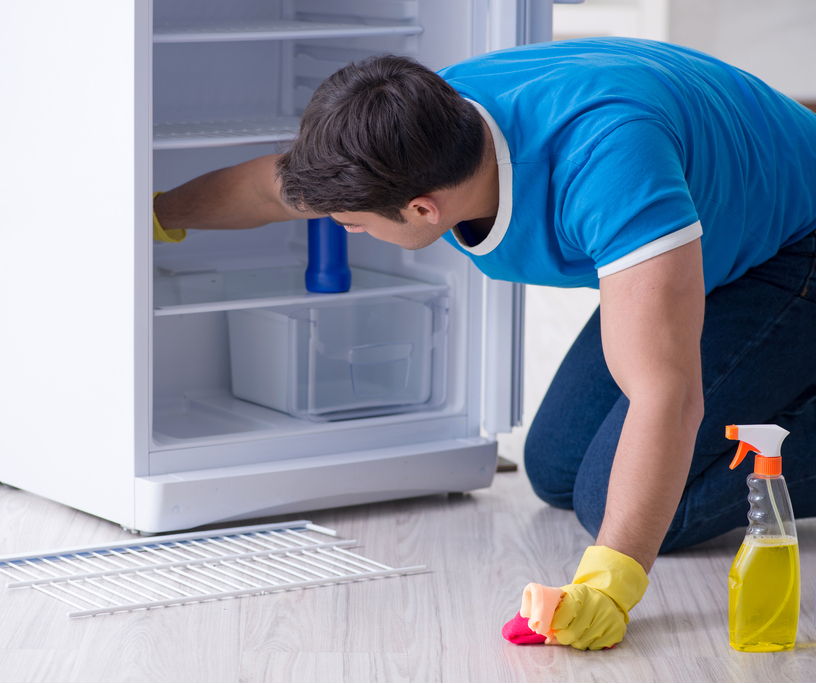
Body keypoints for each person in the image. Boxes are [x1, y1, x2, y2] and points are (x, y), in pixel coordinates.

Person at [153, 37, 816, 650]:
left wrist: (612, 586)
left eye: (350, 222)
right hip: (722, 228)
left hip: (795, 244)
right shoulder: (411, 126)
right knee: (557, 471)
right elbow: (275, 188)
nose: (343, 230)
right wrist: (155, 215)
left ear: (422, 210)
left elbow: (665, 394)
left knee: (645, 514)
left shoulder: (608, 163)